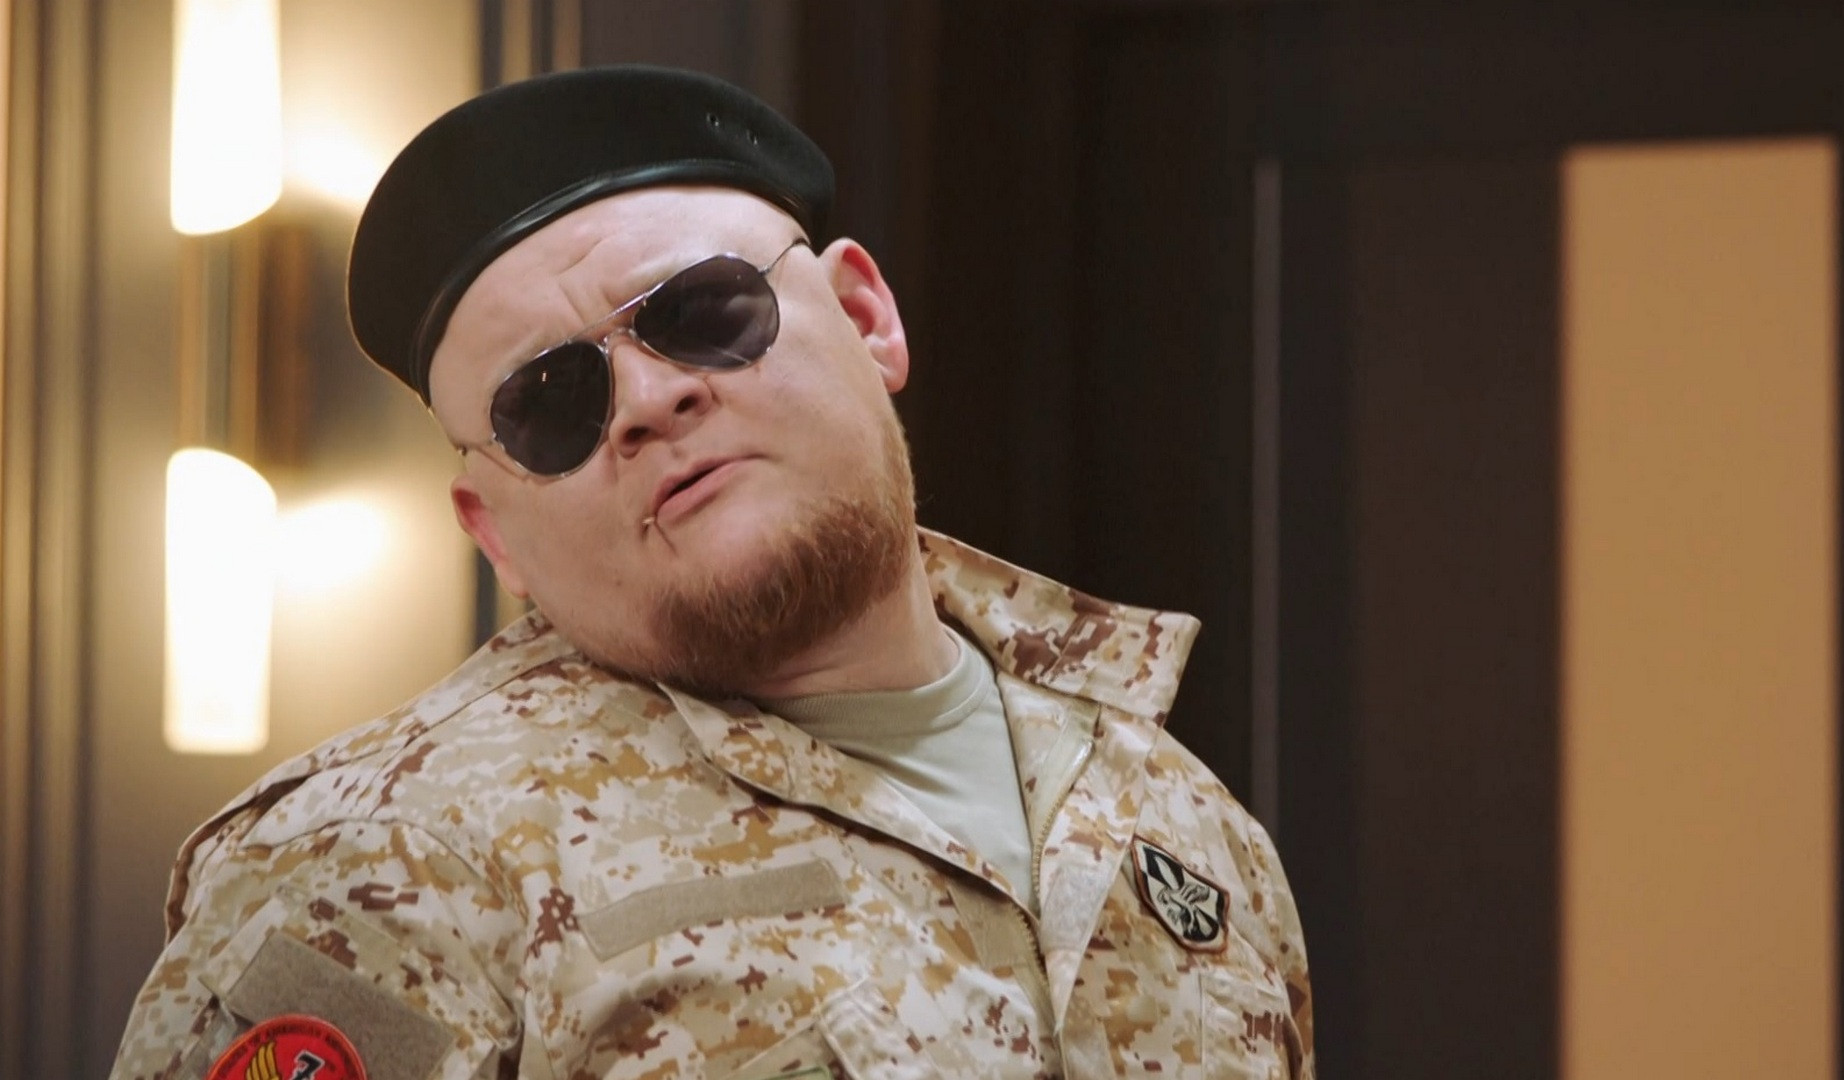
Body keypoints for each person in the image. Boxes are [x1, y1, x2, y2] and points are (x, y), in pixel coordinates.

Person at [111, 65, 1313, 1080]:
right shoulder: (384, 858)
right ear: (494, 531)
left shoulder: (1178, 821)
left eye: (704, 312)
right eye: (551, 403)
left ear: (866, 316)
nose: (647, 398)